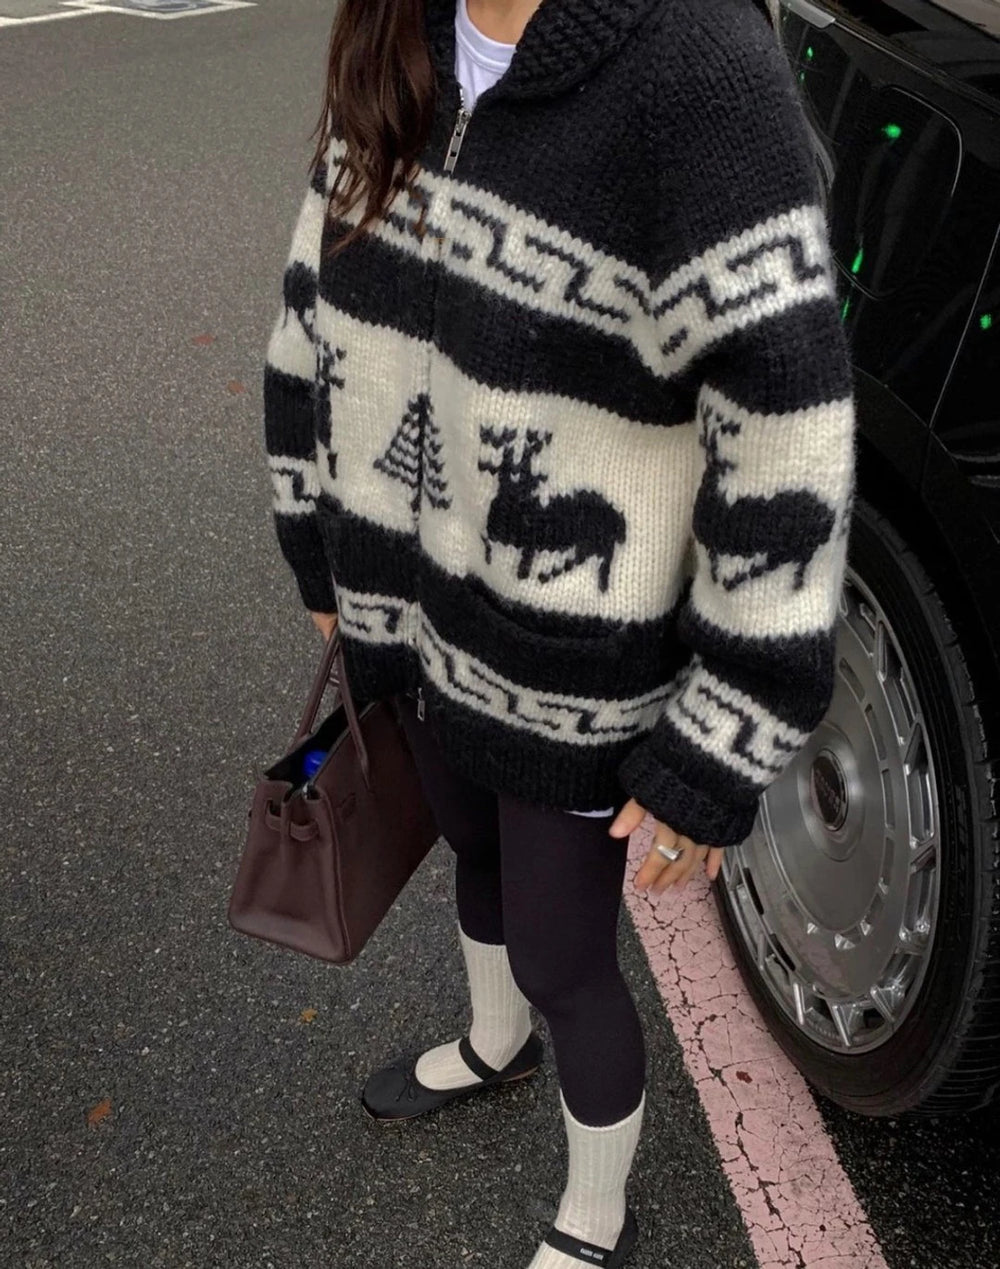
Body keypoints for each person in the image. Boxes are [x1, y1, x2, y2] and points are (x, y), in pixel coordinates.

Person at [262, 0, 856, 1263]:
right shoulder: (395, 28)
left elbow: (787, 426)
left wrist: (726, 728)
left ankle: (593, 1214)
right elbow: (308, 301)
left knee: (566, 947)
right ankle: (493, 1043)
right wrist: (309, 530)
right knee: (464, 846)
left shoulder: (697, 67)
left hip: (577, 668)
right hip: (411, 618)